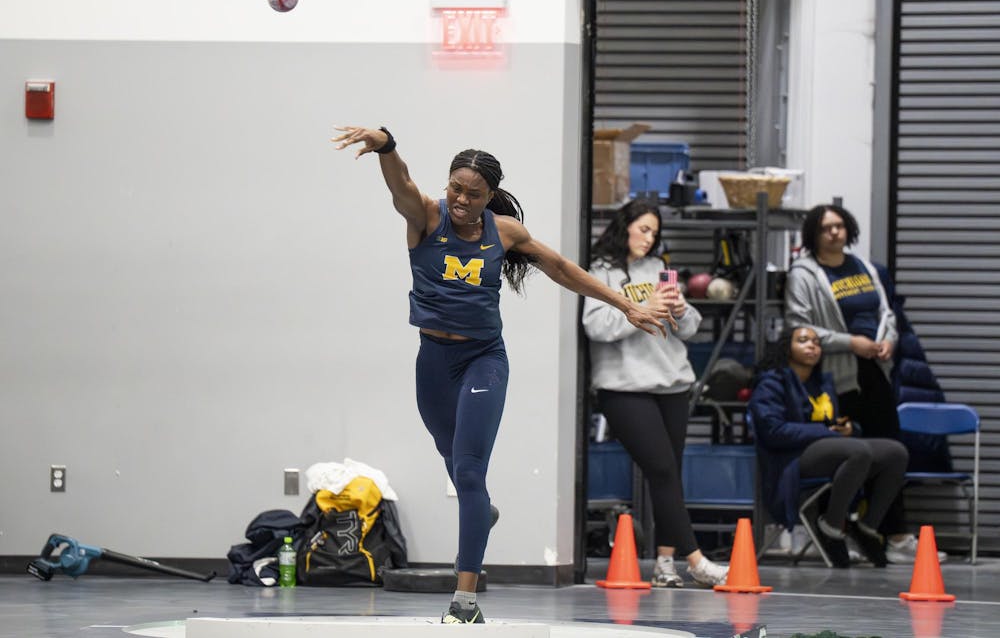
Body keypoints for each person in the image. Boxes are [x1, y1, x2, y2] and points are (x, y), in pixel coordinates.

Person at [332, 126, 673, 623]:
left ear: (490, 197)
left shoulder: (504, 232)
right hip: (432, 361)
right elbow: (399, 182)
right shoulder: (426, 216)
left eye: (473, 194)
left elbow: (558, 267)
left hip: (483, 359)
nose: (462, 200)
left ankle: (464, 601)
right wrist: (387, 144)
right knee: (451, 459)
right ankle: (481, 514)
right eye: (456, 188)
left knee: (470, 472)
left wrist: (624, 304)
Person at [582, 199, 729, 588]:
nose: (650, 238)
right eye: (643, 229)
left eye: (654, 232)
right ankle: (696, 561)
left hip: (673, 382)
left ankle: (665, 563)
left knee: (670, 476)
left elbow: (689, 328)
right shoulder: (602, 271)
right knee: (661, 470)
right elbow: (596, 326)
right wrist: (641, 307)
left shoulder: (660, 269)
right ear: (625, 225)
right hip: (624, 386)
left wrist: (680, 308)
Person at [784, 203, 939, 564]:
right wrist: (850, 342)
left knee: (890, 449)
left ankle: (888, 531)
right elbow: (799, 326)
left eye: (839, 226)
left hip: (875, 371)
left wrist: (888, 341)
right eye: (826, 228)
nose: (834, 233)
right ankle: (832, 523)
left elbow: (886, 313)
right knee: (849, 449)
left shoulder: (864, 267)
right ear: (813, 235)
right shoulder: (805, 274)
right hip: (835, 376)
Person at [749, 326, 909, 568]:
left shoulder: (822, 382)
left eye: (816, 341)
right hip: (791, 458)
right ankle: (832, 526)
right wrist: (825, 432)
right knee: (858, 451)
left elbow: (834, 424)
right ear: (787, 348)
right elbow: (774, 431)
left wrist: (849, 429)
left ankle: (866, 526)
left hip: (826, 449)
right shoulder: (772, 383)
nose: (812, 345)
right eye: (803, 341)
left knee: (895, 452)